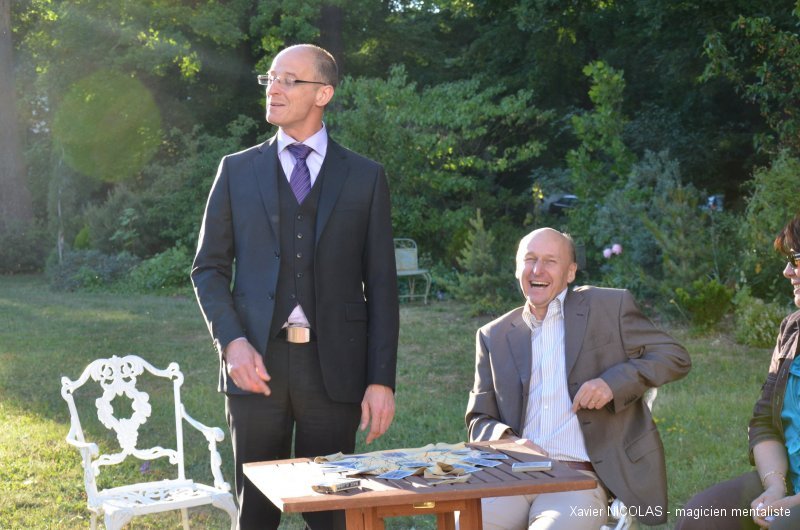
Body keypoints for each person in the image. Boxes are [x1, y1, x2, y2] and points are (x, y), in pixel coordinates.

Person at [191, 44, 399, 530]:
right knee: (256, 514)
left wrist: (381, 379)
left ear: (323, 93)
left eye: (289, 79)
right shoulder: (236, 170)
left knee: (333, 513)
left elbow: (382, 287)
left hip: (335, 368)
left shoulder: (365, 177)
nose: (275, 88)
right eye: (271, 78)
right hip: (256, 364)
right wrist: (232, 344)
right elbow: (208, 269)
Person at [464, 227, 691, 529]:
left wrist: (613, 382)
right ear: (518, 268)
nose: (537, 270)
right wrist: (508, 440)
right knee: (464, 524)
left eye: (550, 261)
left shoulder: (609, 307)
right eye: (529, 259)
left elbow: (675, 356)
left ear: (570, 272)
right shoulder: (494, 335)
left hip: (577, 479)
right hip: (512, 477)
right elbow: (479, 419)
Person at [676, 214, 800, 530]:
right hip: (790, 483)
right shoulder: (791, 330)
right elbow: (764, 422)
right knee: (699, 516)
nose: (787, 272)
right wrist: (775, 487)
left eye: (796, 260)